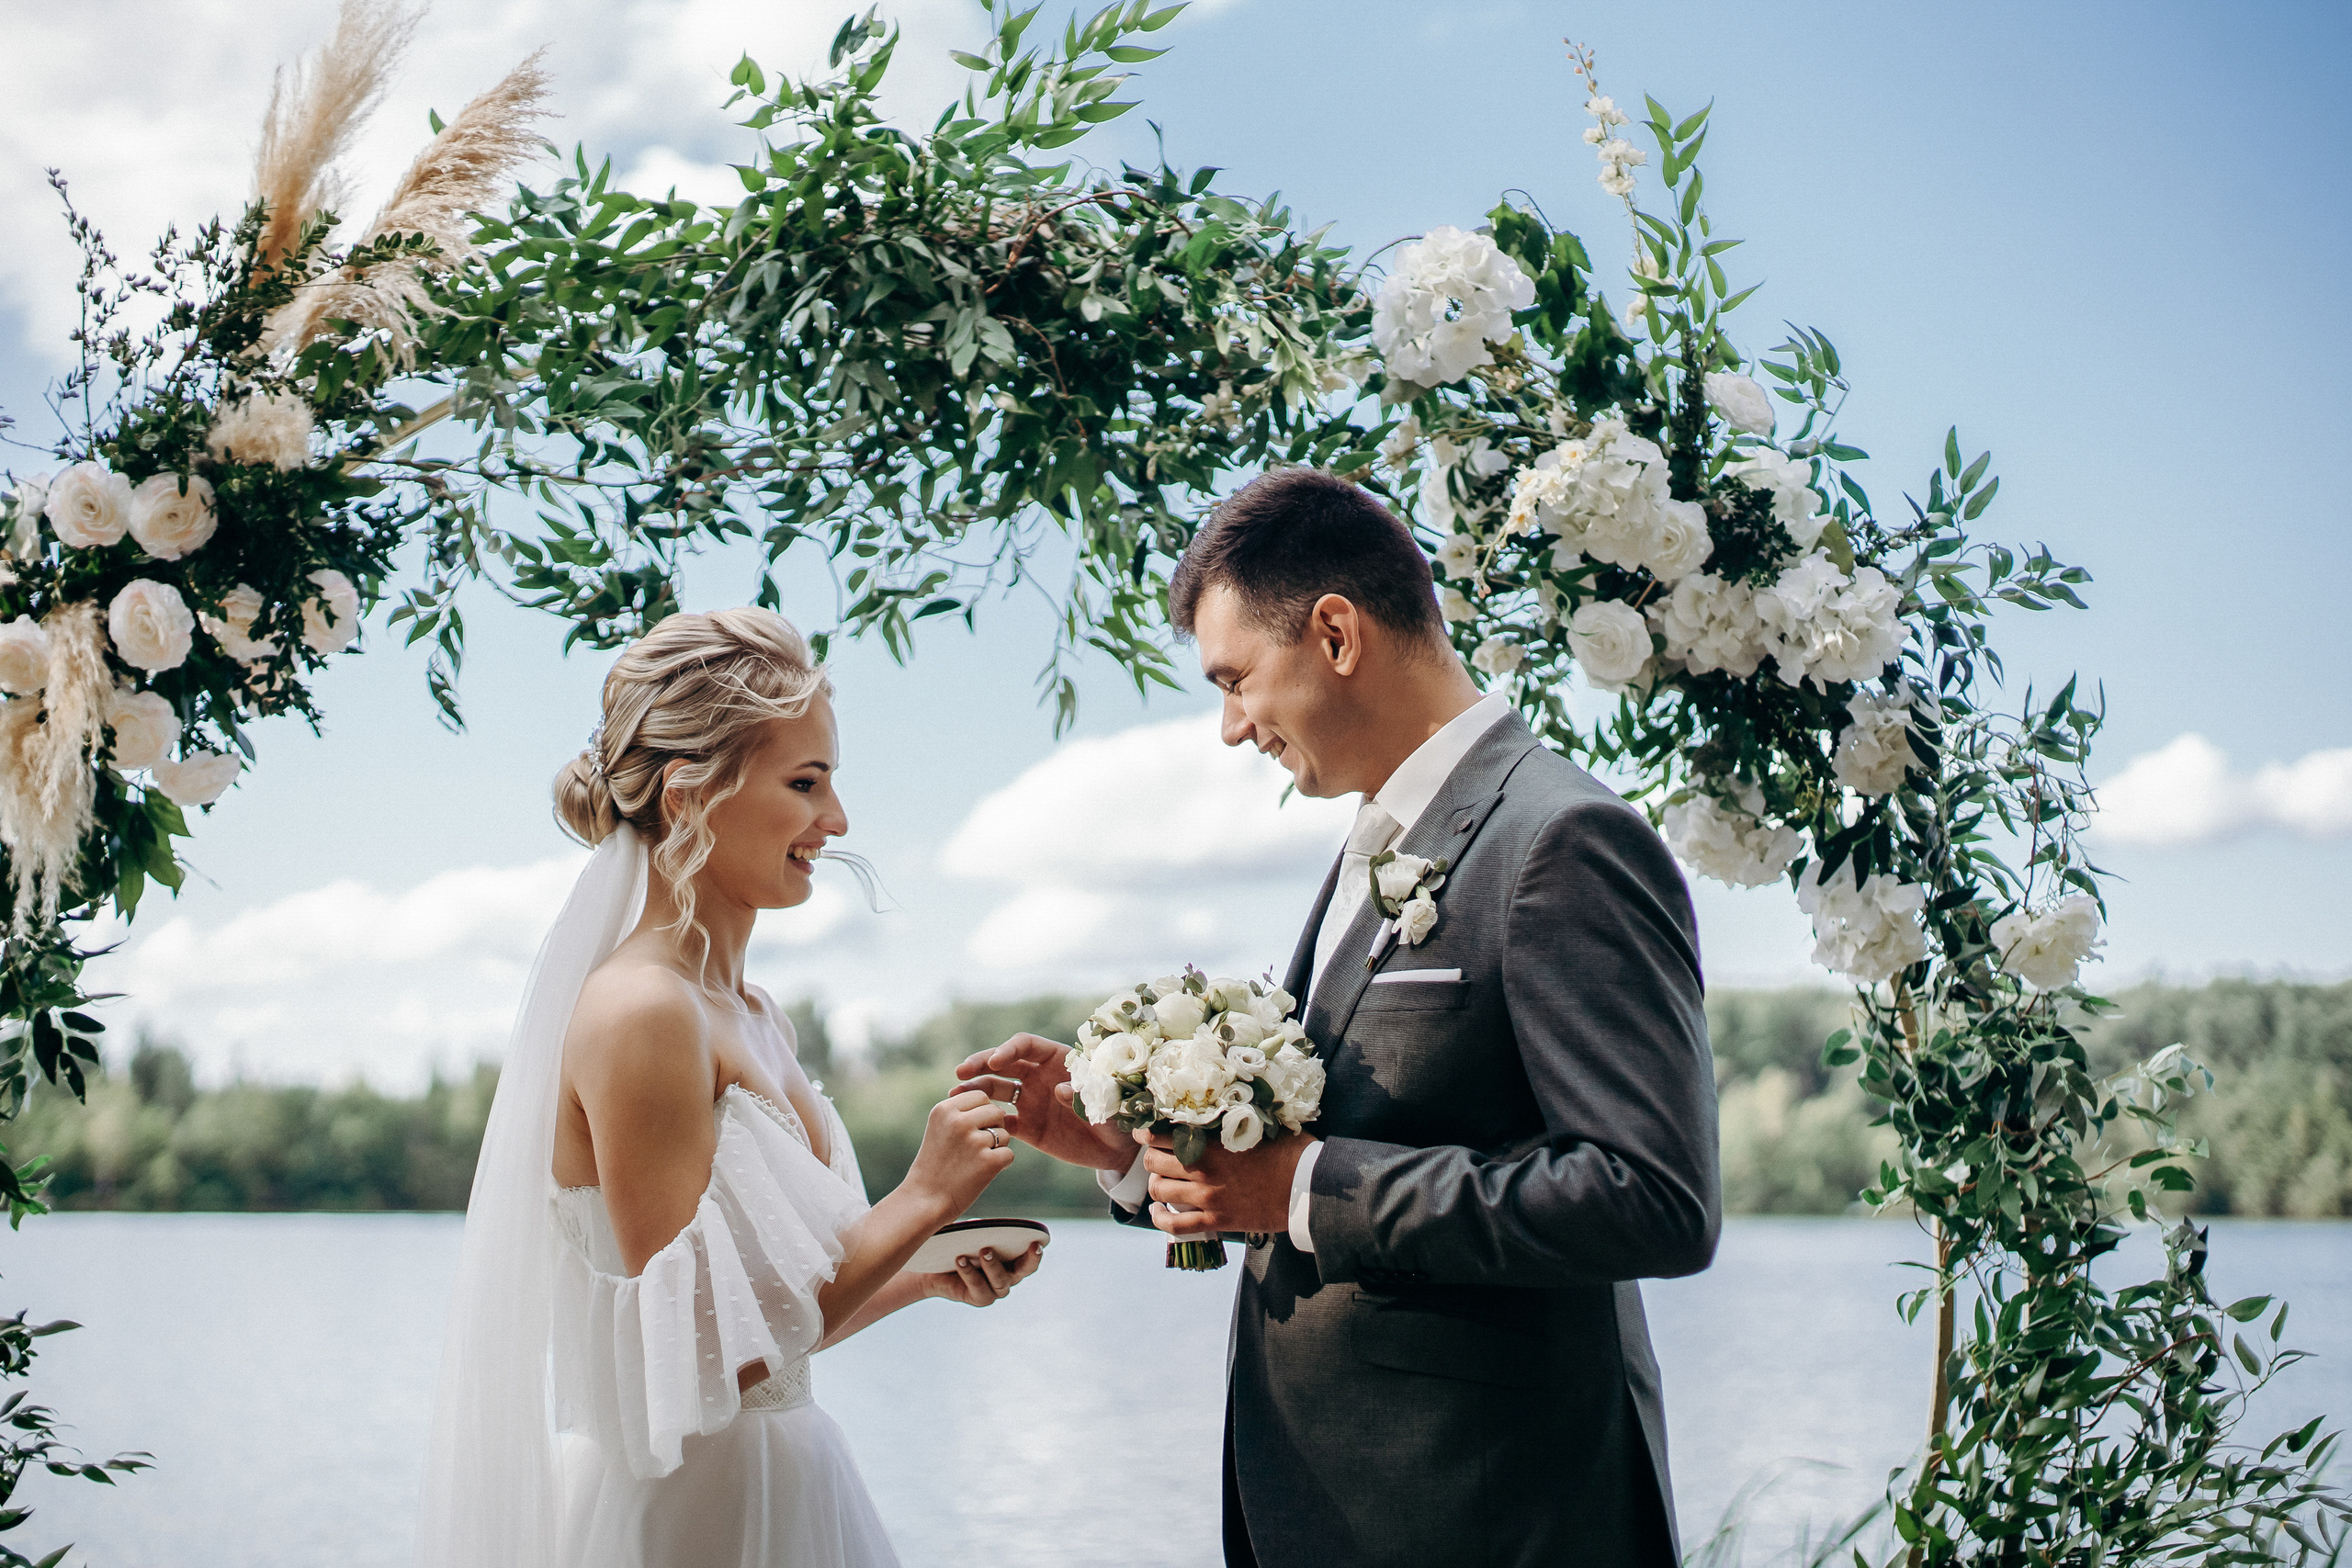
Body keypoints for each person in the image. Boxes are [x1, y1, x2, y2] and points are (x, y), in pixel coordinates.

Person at [959, 468, 1721, 1568]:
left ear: (1333, 632)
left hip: (1489, 1514)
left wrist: (1308, 1189)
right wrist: (1131, 1153)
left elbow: (1650, 1197)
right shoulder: (1384, 832)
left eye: (1236, 680)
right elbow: (1355, 1128)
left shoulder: (1559, 840)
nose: (1230, 728)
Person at [417, 607, 1044, 1568]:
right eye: (805, 784)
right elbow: (698, 1361)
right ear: (688, 795)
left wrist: (918, 1279)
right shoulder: (641, 1014)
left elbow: (762, 1335)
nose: (836, 822)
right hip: (691, 1519)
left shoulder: (754, 1013)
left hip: (784, 1487)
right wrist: (921, 1197)